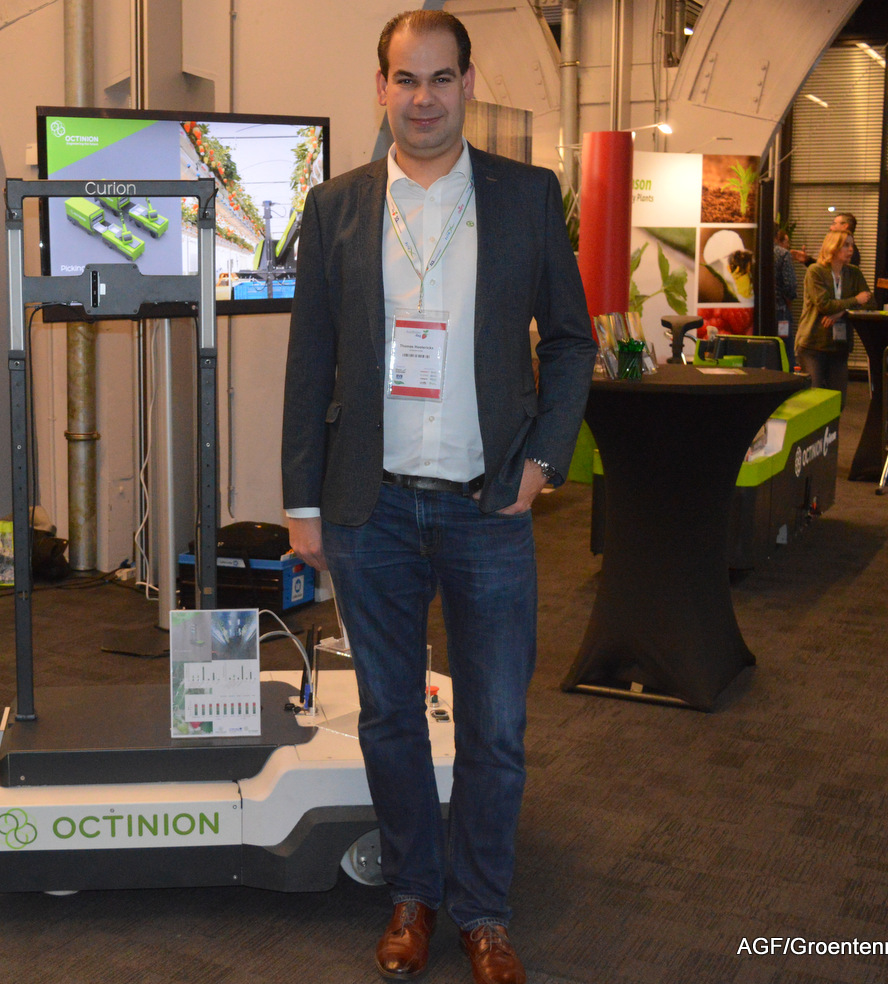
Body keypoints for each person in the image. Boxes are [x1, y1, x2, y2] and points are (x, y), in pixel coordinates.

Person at [281, 10, 595, 983]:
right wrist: (301, 503)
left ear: (467, 83)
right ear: (380, 87)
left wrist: (543, 460)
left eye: (441, 78)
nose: (423, 99)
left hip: (486, 507)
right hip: (368, 510)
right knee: (389, 719)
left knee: (496, 729)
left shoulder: (524, 196)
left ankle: (484, 913)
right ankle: (412, 894)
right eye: (405, 79)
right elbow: (310, 362)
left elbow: (572, 340)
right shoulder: (334, 206)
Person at [796, 229, 872, 410]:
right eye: (845, 245)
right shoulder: (816, 271)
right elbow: (824, 305)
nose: (851, 249)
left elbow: (870, 302)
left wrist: (841, 312)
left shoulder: (853, 273)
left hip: (839, 346)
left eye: (852, 245)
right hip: (813, 344)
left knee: (838, 403)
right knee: (813, 402)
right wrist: (854, 300)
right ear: (832, 247)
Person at [792, 211, 861, 271]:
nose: (830, 228)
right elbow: (826, 269)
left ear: (845, 226)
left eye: (834, 224)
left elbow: (830, 272)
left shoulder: (850, 253)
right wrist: (807, 260)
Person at [773, 228, 798, 337]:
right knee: (783, 343)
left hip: (758, 312)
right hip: (780, 309)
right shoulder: (783, 254)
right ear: (777, 237)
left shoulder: (756, 251)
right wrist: (789, 300)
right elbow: (790, 284)